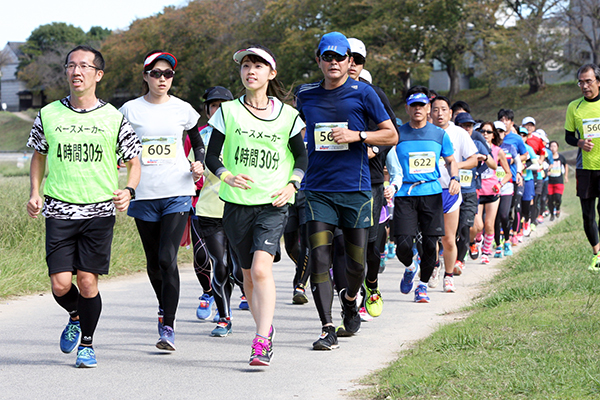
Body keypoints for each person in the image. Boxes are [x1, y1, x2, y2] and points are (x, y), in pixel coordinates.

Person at [26, 45, 141, 368]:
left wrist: (129, 190)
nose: (76, 72)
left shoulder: (114, 118)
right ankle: (75, 315)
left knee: (88, 281)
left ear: (98, 75)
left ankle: (87, 345)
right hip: (60, 209)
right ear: (66, 72)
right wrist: (35, 192)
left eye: (84, 67)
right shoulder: (49, 114)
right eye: (71, 66)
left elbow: (134, 161)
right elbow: (39, 155)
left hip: (99, 211)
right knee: (61, 283)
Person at [205, 45, 307, 365]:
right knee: (247, 275)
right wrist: (226, 176)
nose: (251, 71)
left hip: (273, 202)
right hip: (236, 204)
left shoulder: (288, 116)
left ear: (271, 74)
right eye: (246, 66)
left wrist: (292, 184)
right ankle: (266, 326)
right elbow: (211, 156)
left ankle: (261, 340)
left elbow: (302, 157)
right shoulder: (228, 112)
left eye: (258, 66)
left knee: (262, 268)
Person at [295, 32, 397, 350]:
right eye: (328, 57)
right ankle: (327, 327)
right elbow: (295, 134)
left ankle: (351, 300)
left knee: (356, 264)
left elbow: (391, 134)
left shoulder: (363, 93)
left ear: (349, 61)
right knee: (320, 258)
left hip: (355, 191)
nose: (334, 62)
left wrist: (358, 136)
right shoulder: (305, 95)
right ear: (319, 60)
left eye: (340, 57)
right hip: (318, 191)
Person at [119, 50, 204, 351]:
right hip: (143, 193)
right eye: (156, 73)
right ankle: (162, 306)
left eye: (167, 74)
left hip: (178, 191)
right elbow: (118, 144)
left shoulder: (182, 109)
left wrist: (199, 163)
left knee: (168, 258)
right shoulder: (129, 110)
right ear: (145, 76)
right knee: (154, 262)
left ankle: (168, 325)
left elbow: (197, 141)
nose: (162, 79)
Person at [347, 37, 399, 318]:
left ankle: (372, 287)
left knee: (369, 243)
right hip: (338, 180)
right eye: (347, 57)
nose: (352, 64)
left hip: (372, 180)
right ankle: (348, 296)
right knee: (343, 243)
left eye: (358, 60)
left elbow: (392, 134)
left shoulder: (373, 93)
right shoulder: (327, 93)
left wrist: (374, 148)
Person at [394, 86, 459, 302]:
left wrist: (455, 179)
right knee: (403, 244)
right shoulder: (398, 134)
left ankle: (422, 286)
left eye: (421, 105)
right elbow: (389, 164)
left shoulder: (440, 135)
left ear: (428, 108)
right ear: (407, 108)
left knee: (431, 244)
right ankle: (410, 267)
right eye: (413, 106)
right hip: (405, 193)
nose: (418, 109)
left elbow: (451, 161)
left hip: (431, 192)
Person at [430, 96, 479, 292]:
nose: (439, 113)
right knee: (429, 238)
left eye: (443, 109)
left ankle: (448, 276)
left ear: (450, 113)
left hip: (450, 190)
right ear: (429, 112)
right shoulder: (424, 132)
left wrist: (455, 166)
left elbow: (474, 160)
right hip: (427, 190)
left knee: (449, 238)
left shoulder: (458, 133)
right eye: (435, 109)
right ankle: (433, 267)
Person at [565, 63, 600, 270]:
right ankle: (597, 254)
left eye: (588, 81)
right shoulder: (574, 107)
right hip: (585, 167)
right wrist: (580, 142)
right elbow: (569, 136)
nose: (584, 86)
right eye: (581, 82)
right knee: (587, 214)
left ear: (598, 81)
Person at [454, 112, 496, 269]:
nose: (466, 129)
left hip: (470, 191)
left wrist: (483, 158)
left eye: (469, 126)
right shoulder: (450, 143)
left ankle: (459, 261)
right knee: (452, 228)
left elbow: (493, 165)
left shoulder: (477, 144)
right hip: (450, 190)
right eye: (463, 125)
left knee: (467, 226)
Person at [476, 122, 512, 264]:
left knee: (489, 224)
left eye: (489, 132)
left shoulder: (498, 151)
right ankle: (477, 241)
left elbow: (508, 173)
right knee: (477, 225)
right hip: (477, 190)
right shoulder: (474, 148)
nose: (485, 134)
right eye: (482, 131)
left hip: (492, 191)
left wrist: (500, 183)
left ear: (493, 135)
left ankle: (485, 252)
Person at [493, 121, 520, 258]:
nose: (499, 133)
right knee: (495, 218)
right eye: (496, 130)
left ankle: (507, 241)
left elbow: (518, 161)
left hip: (507, 184)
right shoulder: (489, 148)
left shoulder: (510, 147)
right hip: (492, 186)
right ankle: (498, 245)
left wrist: (519, 174)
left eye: (501, 131)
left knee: (504, 214)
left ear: (505, 133)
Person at [547, 140, 568, 221]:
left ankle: (558, 208)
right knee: (550, 199)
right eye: (551, 146)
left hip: (559, 181)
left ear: (557, 147)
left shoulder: (561, 157)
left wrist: (566, 176)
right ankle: (552, 213)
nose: (552, 148)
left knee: (558, 198)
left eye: (554, 146)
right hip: (549, 181)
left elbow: (566, 165)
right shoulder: (547, 157)